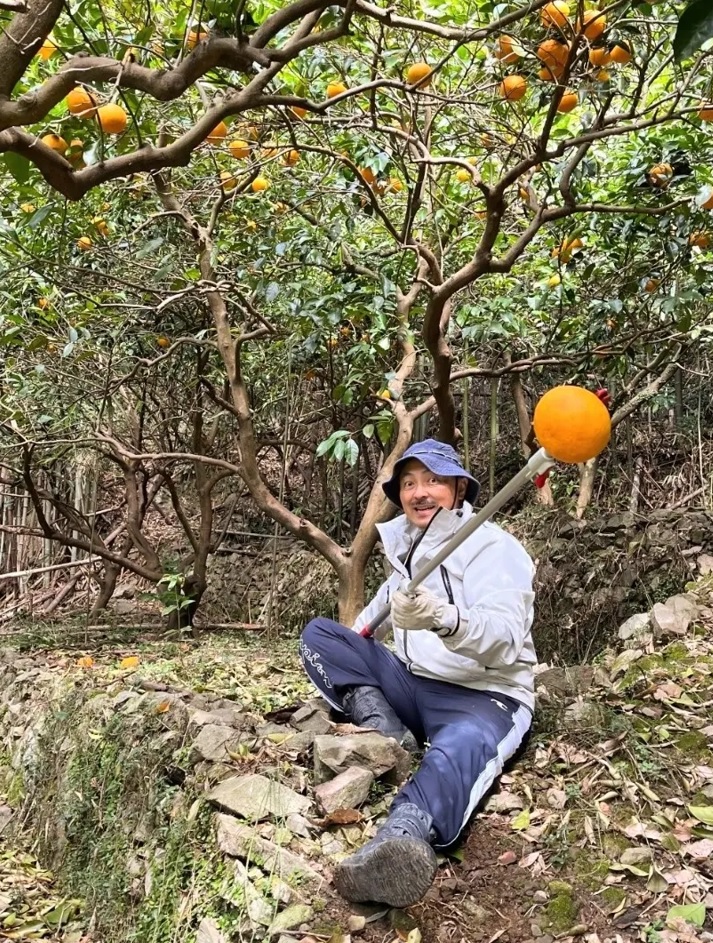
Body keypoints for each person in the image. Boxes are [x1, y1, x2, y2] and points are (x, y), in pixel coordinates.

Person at [299, 439, 536, 908]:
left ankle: (402, 834)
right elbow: (367, 626)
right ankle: (387, 730)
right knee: (322, 636)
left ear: (459, 488)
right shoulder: (407, 553)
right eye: (409, 483)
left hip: (484, 693)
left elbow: (506, 637)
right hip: (413, 683)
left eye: (432, 480)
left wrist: (443, 617)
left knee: (462, 747)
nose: (419, 492)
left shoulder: (493, 546)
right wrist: (351, 647)